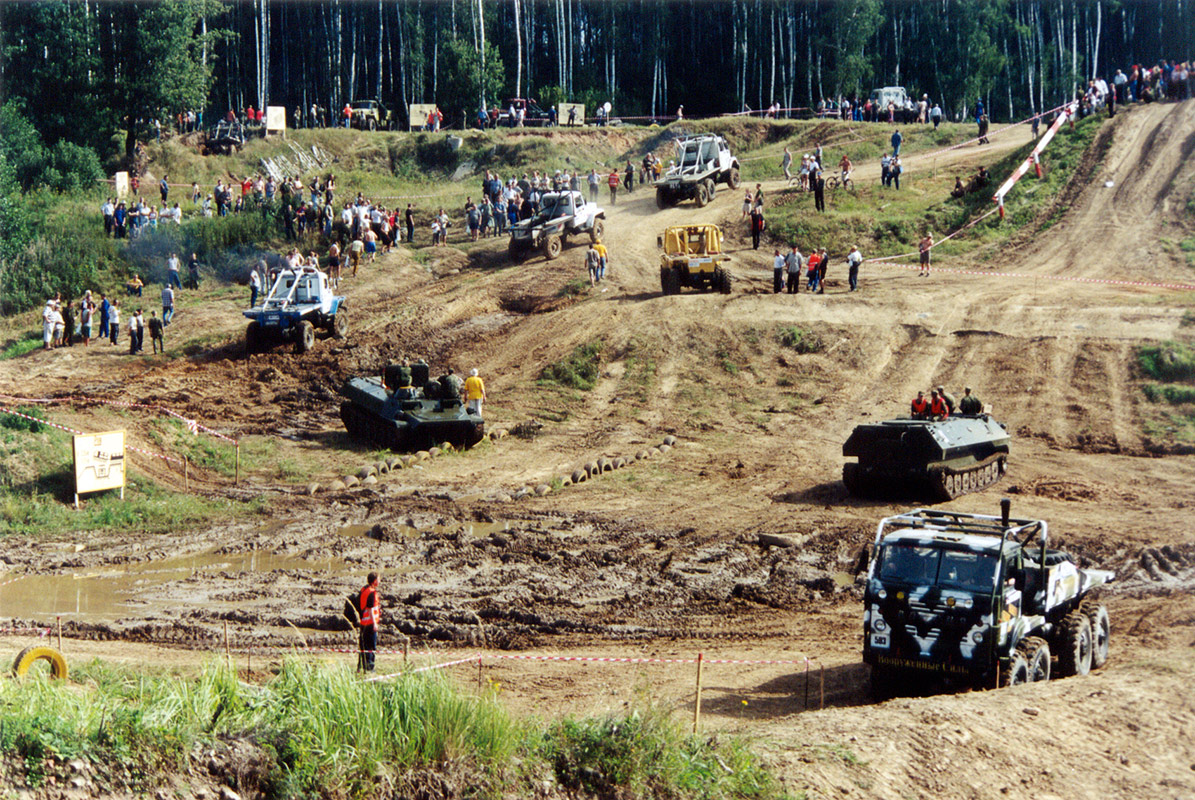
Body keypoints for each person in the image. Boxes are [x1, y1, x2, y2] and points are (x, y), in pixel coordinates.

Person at [357, 572, 381, 673]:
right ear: (375, 581)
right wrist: (375, 623)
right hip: (370, 623)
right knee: (371, 647)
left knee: (363, 646)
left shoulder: (364, 589)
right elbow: (370, 608)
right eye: (379, 579)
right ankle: (370, 668)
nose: (380, 581)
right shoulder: (372, 592)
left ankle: (361, 667)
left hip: (363, 623)